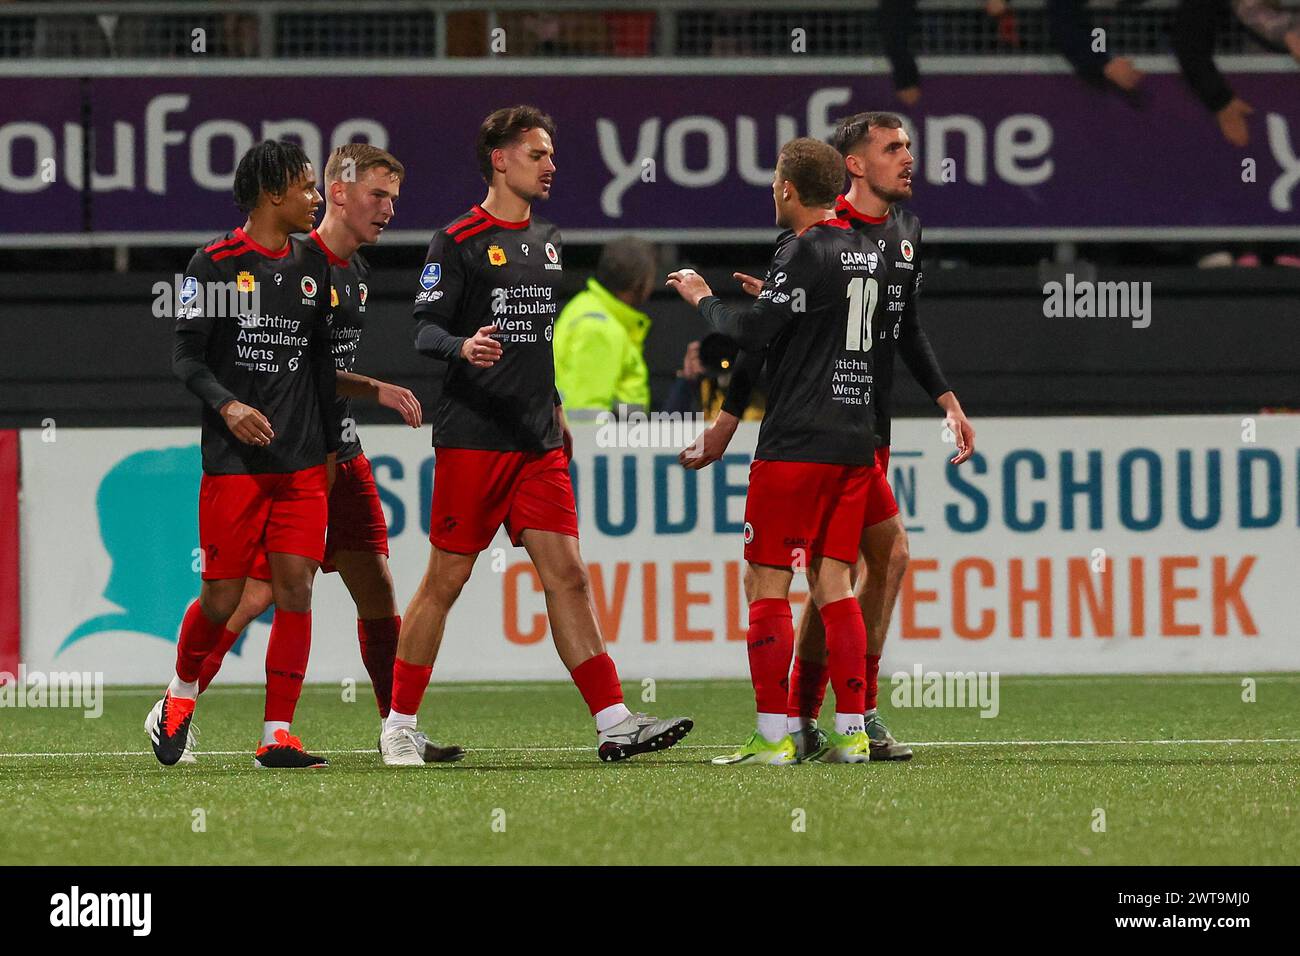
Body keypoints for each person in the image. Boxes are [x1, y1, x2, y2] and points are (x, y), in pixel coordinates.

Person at [380, 105, 693, 766]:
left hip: (536, 443)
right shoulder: (457, 239)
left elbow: (536, 340)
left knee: (569, 575)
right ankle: (399, 725)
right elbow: (423, 331)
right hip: (473, 438)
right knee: (446, 580)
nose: (551, 166)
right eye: (537, 154)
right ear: (500, 158)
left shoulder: (549, 239)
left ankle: (613, 721)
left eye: (551, 155)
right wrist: (462, 345)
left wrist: (551, 406)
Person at [684, 112, 975, 762]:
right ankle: (838, 720)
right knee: (851, 569)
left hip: (847, 431)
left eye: (908, 145)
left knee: (845, 570)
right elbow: (768, 338)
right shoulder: (824, 231)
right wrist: (728, 422)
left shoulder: (898, 231)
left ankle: (807, 724)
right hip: (844, 431)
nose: (907, 157)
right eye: (893, 147)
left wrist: (947, 399)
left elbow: (906, 326)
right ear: (854, 165)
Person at [187, 144, 464, 765]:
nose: (389, 210)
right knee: (258, 593)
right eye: (378, 196)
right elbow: (267, 364)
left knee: (375, 589)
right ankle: (178, 703)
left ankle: (397, 726)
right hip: (296, 457)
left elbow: (319, 368)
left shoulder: (357, 274)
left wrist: (364, 394)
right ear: (338, 193)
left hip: (340, 450)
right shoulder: (293, 259)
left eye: (394, 198)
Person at [668, 137, 887, 765]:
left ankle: (773, 739)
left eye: (773, 182)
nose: (772, 191)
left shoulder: (802, 250)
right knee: (835, 582)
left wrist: (700, 298)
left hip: (796, 442)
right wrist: (780, 295)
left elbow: (751, 334)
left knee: (767, 581)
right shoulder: (863, 250)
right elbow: (813, 323)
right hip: (854, 441)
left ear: (787, 189)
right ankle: (851, 734)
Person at [148, 140, 339, 769]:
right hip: (235, 465)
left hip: (304, 463)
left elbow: (320, 365)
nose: (319, 199)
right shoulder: (216, 265)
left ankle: (276, 732)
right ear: (273, 193)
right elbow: (184, 357)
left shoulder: (315, 264)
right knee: (221, 599)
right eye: (310, 188)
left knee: (295, 590)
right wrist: (228, 406)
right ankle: (178, 695)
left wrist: (332, 448)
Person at [552, 236, 656, 418]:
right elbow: (585, 416)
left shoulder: (586, 306)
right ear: (640, 282)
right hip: (600, 445)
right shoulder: (599, 328)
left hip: (616, 443)